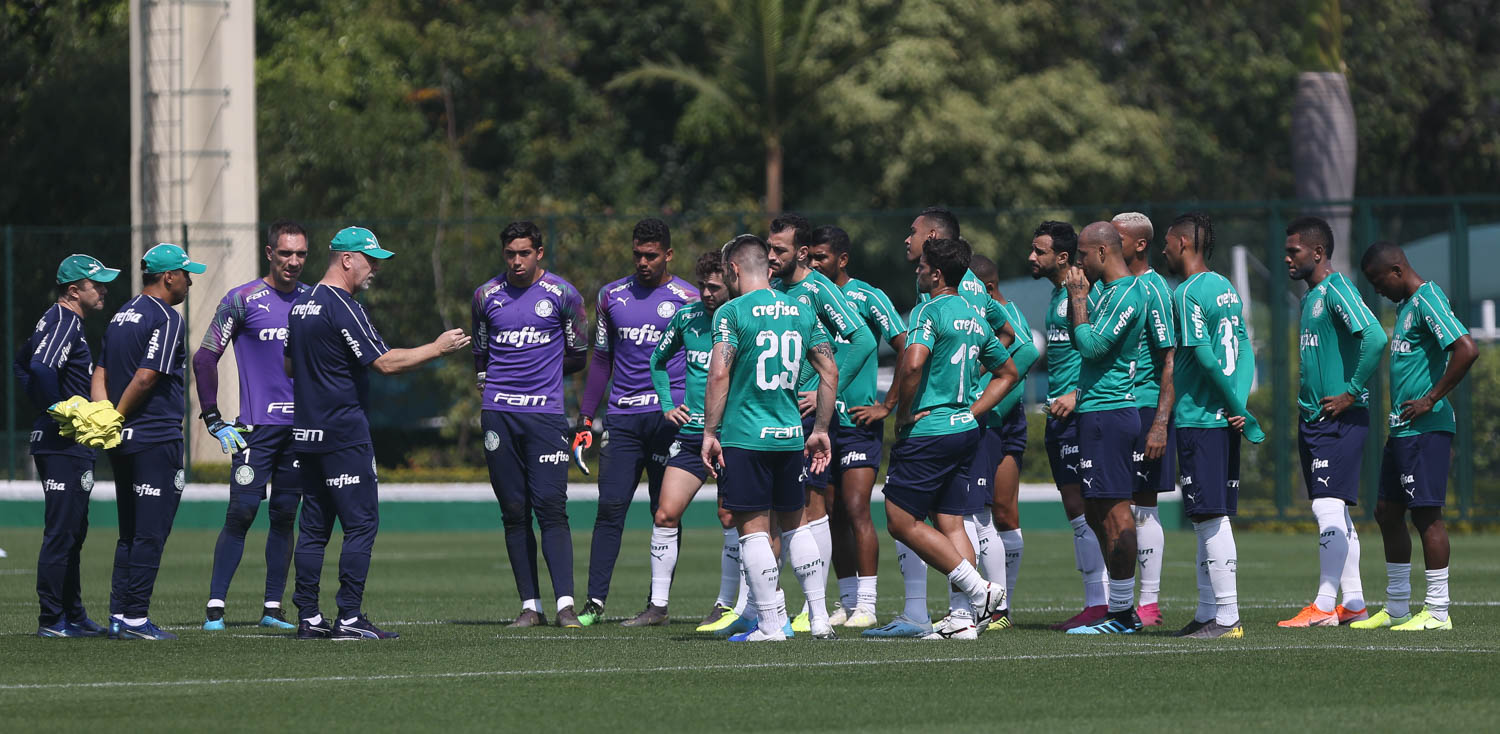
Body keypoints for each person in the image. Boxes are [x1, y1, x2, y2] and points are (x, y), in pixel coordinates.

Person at [288, 227, 470, 640]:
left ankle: (309, 617)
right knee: (361, 524)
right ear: (347, 259)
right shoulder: (343, 306)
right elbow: (384, 363)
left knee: (313, 528)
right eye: (370, 260)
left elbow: (288, 366)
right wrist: (437, 348)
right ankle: (350, 617)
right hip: (343, 433)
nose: (374, 269)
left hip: (308, 433)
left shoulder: (300, 305)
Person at [700, 233, 840, 642]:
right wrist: (820, 430)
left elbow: (719, 373)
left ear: (734, 269)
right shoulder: (800, 310)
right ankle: (819, 618)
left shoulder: (730, 312)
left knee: (754, 530)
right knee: (796, 526)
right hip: (789, 437)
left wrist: (709, 432)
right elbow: (830, 371)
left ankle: (769, 624)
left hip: (746, 437)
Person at [881, 237, 1016, 640]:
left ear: (937, 274)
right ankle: (962, 620)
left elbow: (912, 364)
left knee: (901, 520)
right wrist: (971, 412)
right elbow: (1007, 373)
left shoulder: (929, 309)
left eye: (922, 266)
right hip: (963, 431)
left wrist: (902, 414)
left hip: (929, 431)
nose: (917, 270)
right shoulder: (974, 315)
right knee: (952, 523)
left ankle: (981, 592)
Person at [577, 218, 700, 627]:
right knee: (610, 508)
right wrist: (586, 416)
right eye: (637, 255)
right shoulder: (611, 296)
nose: (643, 262)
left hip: (671, 420)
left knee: (665, 511)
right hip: (623, 419)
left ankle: (656, 604)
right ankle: (594, 603)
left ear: (668, 255)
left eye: (651, 255)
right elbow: (601, 360)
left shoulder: (689, 298)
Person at [1352, 241, 1478, 631]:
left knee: (1426, 515)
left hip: (1426, 428)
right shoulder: (1406, 307)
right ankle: (1396, 607)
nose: (1378, 290)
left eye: (1379, 282)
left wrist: (1431, 398)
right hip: (1402, 429)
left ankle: (1438, 610)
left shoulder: (1427, 299)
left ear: (1397, 271)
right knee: (1386, 512)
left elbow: (1466, 348)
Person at [195, 220, 310, 631]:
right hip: (256, 430)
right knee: (242, 512)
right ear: (269, 253)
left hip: (300, 431)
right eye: (286, 253)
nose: (293, 261)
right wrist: (212, 417)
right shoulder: (241, 300)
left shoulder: (313, 302)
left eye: (300, 254)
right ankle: (215, 609)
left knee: (285, 515)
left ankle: (272, 610)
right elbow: (205, 357)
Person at [471, 221, 587, 629]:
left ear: (539, 252)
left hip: (545, 415)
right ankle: (530, 606)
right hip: (498, 415)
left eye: (524, 253)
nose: (516, 261)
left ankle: (566, 606)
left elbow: (579, 354)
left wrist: (542, 371)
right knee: (514, 510)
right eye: (510, 254)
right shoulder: (485, 296)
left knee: (551, 506)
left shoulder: (564, 294)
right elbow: (481, 352)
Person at [766, 213, 876, 633]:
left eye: (779, 249)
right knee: (771, 512)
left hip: (805, 418)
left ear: (801, 253)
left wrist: (826, 390)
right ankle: (766, 608)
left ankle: (814, 607)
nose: (771, 255)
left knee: (811, 510)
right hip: (771, 414)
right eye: (769, 248)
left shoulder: (818, 288)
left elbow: (863, 339)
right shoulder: (771, 288)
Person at [1278, 216, 1387, 628]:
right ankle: (1354, 603)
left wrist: (1351, 392)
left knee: (1326, 506)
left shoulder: (1338, 288)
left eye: (1294, 251)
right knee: (1334, 510)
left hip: (1339, 417)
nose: (1287, 258)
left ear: (1318, 252)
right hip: (1315, 418)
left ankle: (1324, 604)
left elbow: (1375, 337)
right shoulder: (1311, 297)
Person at [94, 243, 206, 640]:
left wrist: (106, 417)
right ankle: (136, 618)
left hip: (121, 440)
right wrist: (118, 414)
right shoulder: (167, 317)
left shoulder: (121, 314)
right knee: (150, 532)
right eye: (186, 274)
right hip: (155, 438)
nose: (190, 282)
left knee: (129, 530)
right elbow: (146, 376)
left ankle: (118, 615)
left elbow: (100, 372)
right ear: (169, 277)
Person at [1162, 213, 1265, 639]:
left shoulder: (1186, 292)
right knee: (1208, 515)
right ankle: (1208, 613)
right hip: (1223, 417)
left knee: (1209, 516)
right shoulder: (1225, 286)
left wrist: (1230, 403)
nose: (1164, 250)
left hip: (1200, 416)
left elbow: (1204, 355)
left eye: (1167, 242)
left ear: (1184, 243)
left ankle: (1226, 617)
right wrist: (1239, 404)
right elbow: (1244, 345)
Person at [630, 252, 737, 630]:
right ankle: (657, 606)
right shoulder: (687, 316)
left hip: (733, 437)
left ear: (731, 286)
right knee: (665, 513)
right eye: (703, 286)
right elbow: (657, 361)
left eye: (714, 287)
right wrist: (667, 404)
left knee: (730, 517)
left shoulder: (742, 319)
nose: (706, 293)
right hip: (692, 437)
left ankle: (726, 604)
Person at [16, 254, 120, 637]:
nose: (104, 290)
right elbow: (39, 368)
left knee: (73, 531)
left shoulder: (58, 320)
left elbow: (20, 363)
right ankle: (52, 619)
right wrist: (59, 409)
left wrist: (50, 407)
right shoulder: (64, 320)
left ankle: (73, 615)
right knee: (62, 532)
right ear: (74, 291)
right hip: (62, 443)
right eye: (97, 284)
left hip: (67, 442)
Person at [807, 225, 906, 628]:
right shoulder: (806, 296)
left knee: (856, 508)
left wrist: (888, 405)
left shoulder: (868, 296)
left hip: (856, 422)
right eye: (810, 257)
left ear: (842, 259)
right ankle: (846, 602)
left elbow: (905, 345)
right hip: (818, 423)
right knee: (830, 513)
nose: (814, 264)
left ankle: (867, 604)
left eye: (822, 257)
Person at [1064, 222, 1148, 636]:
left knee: (1116, 512)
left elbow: (1093, 347)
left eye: (1082, 254)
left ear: (1102, 252)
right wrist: (1075, 298)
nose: (1078, 263)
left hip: (1110, 414)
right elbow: (1077, 335)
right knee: (1097, 509)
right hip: (1096, 412)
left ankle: (1123, 613)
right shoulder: (1108, 293)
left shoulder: (1128, 293)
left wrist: (1080, 299)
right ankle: (1118, 609)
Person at [1028, 220, 1111, 630]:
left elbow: (1107, 353)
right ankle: (1098, 602)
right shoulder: (1055, 295)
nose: (1031, 257)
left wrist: (1077, 396)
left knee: (1094, 510)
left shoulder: (1086, 293)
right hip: (1059, 419)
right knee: (1078, 513)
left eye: (1039, 251)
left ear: (1062, 257)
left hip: (1084, 414)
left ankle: (1110, 603)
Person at [1111, 212, 1177, 627]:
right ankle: (1111, 601)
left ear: (1139, 245)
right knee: (1109, 506)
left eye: (1116, 238)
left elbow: (1170, 357)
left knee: (1143, 505)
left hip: (1145, 407)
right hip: (1111, 408)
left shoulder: (1154, 290)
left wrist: (1160, 423)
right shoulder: (1110, 286)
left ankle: (1148, 603)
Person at [967, 253, 1038, 631]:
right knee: (996, 512)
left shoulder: (1003, 314)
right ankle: (997, 606)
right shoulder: (991, 312)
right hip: (995, 418)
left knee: (990, 512)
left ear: (988, 288)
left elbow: (1027, 352)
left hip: (997, 420)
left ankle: (999, 607)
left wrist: (985, 404)